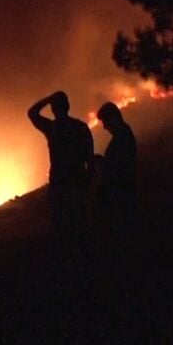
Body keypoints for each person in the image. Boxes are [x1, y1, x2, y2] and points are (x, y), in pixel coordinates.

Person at [27, 91, 94, 255]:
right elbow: (89, 157)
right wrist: (88, 181)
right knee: (78, 224)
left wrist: (48, 98)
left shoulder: (52, 128)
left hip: (59, 182)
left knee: (61, 226)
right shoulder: (81, 127)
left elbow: (32, 113)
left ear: (53, 110)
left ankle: (66, 260)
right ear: (68, 107)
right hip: (77, 180)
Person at [94, 102, 139, 263]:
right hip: (120, 197)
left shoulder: (122, 138)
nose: (105, 127)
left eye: (105, 122)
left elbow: (120, 168)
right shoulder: (123, 136)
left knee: (120, 242)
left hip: (120, 198)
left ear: (113, 118)